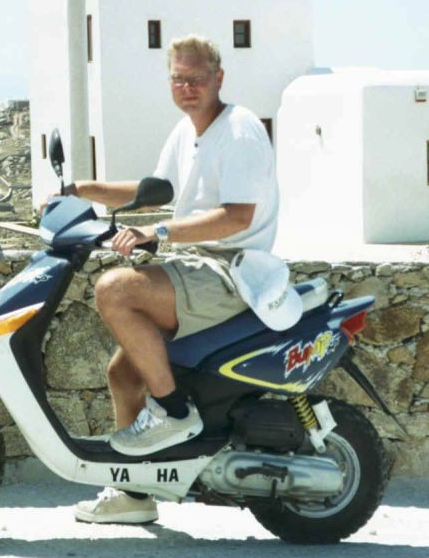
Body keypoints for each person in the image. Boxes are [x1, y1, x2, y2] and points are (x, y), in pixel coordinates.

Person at [49, 34, 279, 524]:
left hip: (230, 269)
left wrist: (157, 231)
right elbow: (154, 190)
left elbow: (237, 217)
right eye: (178, 78)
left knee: (115, 288)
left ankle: (174, 413)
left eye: (197, 78)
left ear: (219, 78)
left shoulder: (238, 130)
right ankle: (135, 494)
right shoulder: (187, 130)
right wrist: (81, 190)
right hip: (195, 265)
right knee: (123, 373)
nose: (187, 87)